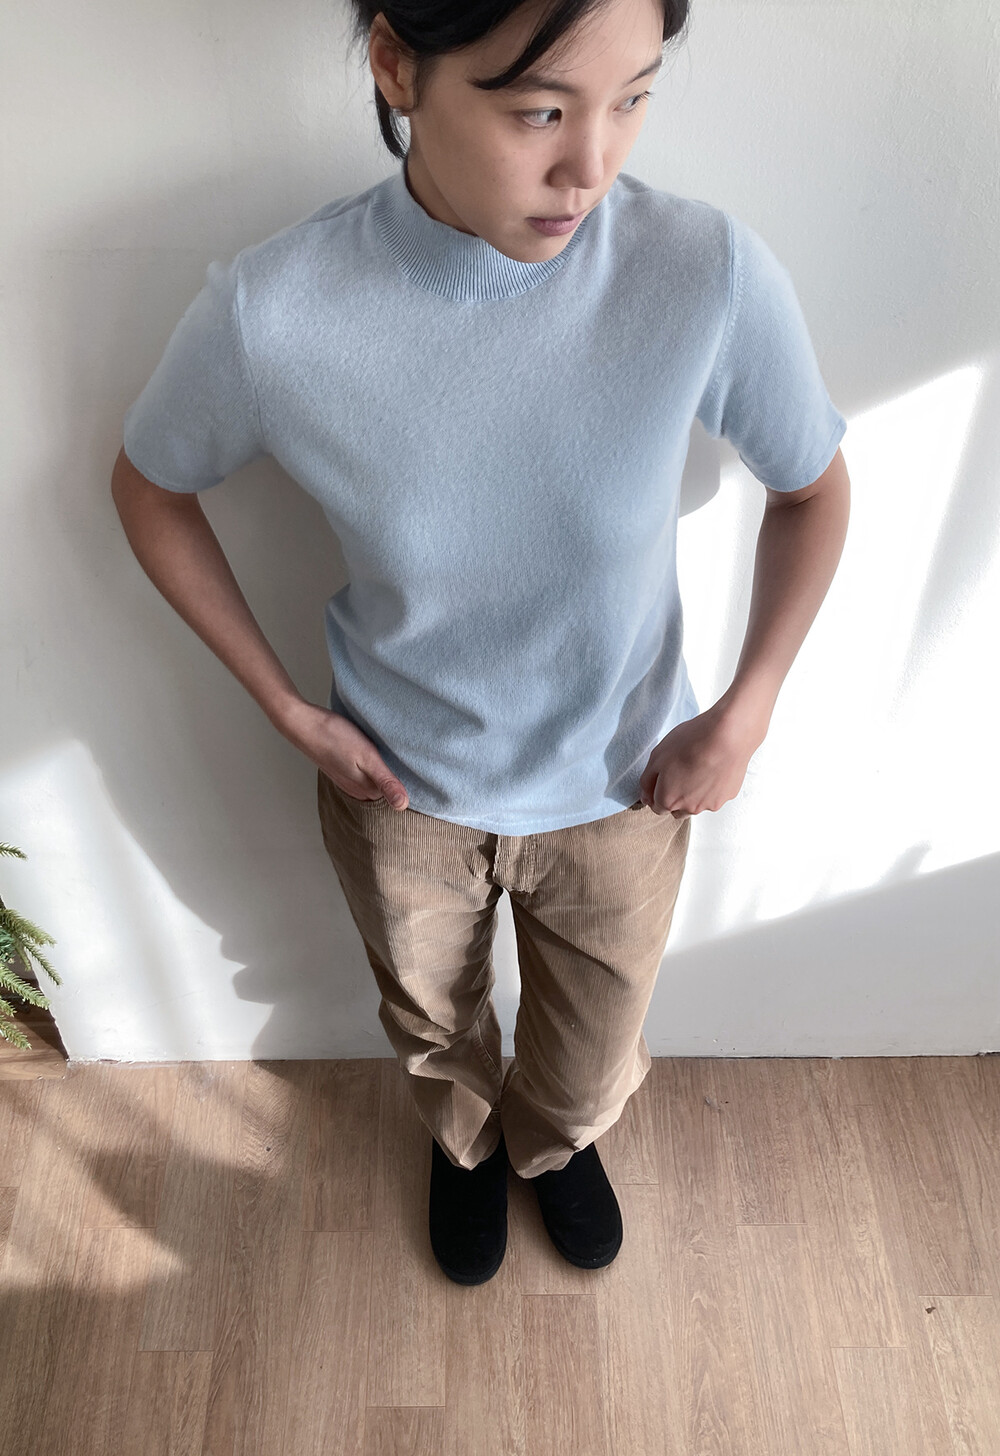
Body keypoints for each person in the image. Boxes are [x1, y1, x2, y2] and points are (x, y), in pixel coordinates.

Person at [112, 0, 851, 1286]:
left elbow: (812, 489)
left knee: (591, 1054)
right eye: (540, 111)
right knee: (432, 1025)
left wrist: (746, 709)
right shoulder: (276, 310)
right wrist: (287, 707)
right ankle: (464, 1142)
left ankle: (555, 1141)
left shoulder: (700, 273)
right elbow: (149, 487)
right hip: (400, 792)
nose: (590, 165)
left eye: (634, 98)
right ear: (397, 66)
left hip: (626, 788)